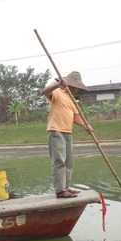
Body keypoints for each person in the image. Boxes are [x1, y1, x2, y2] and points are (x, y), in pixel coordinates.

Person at [41, 71, 93, 199]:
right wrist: (57, 85)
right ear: (72, 86)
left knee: (69, 162)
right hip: (56, 131)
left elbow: (75, 117)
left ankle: (66, 187)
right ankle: (60, 191)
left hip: (68, 133)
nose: (77, 90)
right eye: (76, 88)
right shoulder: (57, 93)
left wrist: (85, 125)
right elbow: (44, 92)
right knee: (60, 161)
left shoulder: (72, 100)